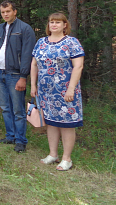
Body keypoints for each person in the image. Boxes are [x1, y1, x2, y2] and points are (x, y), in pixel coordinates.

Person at [31, 13, 84, 171]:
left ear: (64, 25)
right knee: (51, 123)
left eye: (57, 22)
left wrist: (71, 88)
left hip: (65, 91)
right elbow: (34, 64)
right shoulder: (41, 42)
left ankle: (66, 158)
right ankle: (53, 154)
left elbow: (78, 66)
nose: (54, 25)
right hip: (46, 92)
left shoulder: (71, 43)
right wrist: (33, 85)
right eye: (51, 22)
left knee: (67, 124)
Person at [0, 0, 36, 153]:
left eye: (8, 11)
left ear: (15, 11)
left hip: (15, 75)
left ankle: (21, 141)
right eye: (3, 12)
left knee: (18, 110)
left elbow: (28, 54)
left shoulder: (25, 29)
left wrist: (23, 76)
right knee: (5, 107)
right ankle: (10, 136)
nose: (5, 14)